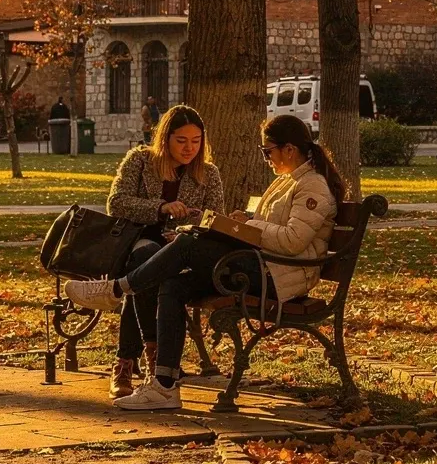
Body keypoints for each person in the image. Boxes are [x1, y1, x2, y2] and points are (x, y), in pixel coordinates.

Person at [66, 114, 341, 412]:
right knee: (173, 283)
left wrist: (249, 228)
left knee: (186, 244)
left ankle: (117, 290)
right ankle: (164, 386)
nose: (266, 159)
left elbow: (291, 241)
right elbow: (118, 201)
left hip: (278, 276)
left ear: (289, 149)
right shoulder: (288, 182)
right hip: (261, 265)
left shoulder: (311, 186)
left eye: (267, 152)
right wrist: (243, 222)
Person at [100, 105, 228, 398]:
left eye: (196, 141)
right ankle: (142, 359)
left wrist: (184, 231)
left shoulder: (208, 173)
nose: (189, 148)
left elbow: (214, 218)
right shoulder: (141, 161)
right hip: (138, 240)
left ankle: (128, 361)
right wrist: (159, 207)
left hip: (181, 250)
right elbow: (116, 203)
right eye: (182, 140)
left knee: (146, 271)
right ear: (166, 138)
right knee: (145, 260)